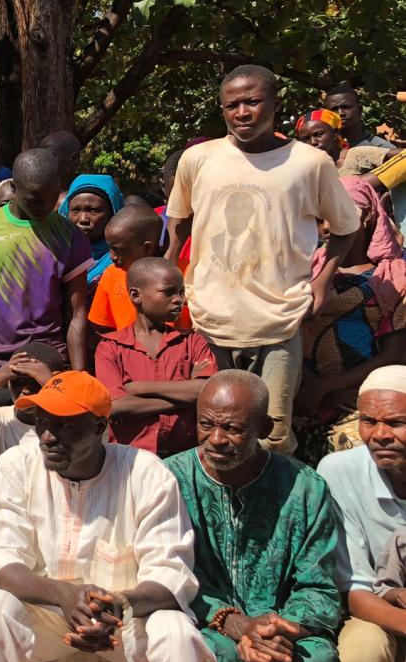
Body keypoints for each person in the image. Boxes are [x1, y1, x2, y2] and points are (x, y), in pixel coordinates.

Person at [0, 370, 215, 662]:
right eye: (42, 422)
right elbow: (2, 566)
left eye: (64, 425)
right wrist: (64, 596)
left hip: (123, 619)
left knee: (176, 633)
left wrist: (118, 604)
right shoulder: (17, 464)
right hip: (46, 615)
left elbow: (170, 576)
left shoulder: (146, 472)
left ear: (99, 427)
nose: (47, 436)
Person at [166, 65, 361, 454]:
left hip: (278, 319)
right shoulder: (198, 158)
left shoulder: (309, 163)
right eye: (232, 105)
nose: (242, 113)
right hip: (209, 319)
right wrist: (171, 268)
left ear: (276, 104)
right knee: (215, 434)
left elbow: (346, 228)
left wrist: (322, 281)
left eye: (252, 102)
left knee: (271, 436)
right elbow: (179, 219)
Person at [165, 371, 342, 662]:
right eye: (206, 424)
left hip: (283, 630)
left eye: (232, 428)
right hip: (203, 623)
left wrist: (273, 633)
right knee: (209, 652)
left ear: (265, 428)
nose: (216, 438)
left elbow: (319, 587)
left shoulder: (305, 487)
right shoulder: (169, 481)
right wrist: (236, 624)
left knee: (317, 661)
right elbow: (166, 575)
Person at [0, 149, 91, 406]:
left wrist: (77, 376)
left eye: (52, 198)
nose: (45, 207)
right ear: (13, 188)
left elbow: (76, 312)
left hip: (46, 360)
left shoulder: (69, 235)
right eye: (35, 200)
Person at [296, 175, 406, 459]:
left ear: (368, 216)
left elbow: (394, 354)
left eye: (338, 215)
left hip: (359, 398)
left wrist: (327, 388)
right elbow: (284, 336)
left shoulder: (391, 277)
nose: (327, 227)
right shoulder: (302, 271)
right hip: (301, 394)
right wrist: (312, 388)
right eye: (320, 218)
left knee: (356, 448)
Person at [317, 367, 406, 662]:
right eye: (368, 421)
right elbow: (355, 591)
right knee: (360, 652)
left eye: (396, 423)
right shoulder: (340, 471)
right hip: (376, 612)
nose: (380, 434)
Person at [94, 257, 217, 456]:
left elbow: (207, 390)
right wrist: (185, 400)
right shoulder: (110, 347)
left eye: (181, 292)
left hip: (184, 455)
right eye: (168, 292)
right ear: (136, 295)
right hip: (131, 457)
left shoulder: (192, 341)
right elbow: (116, 406)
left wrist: (140, 388)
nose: (179, 299)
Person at [87, 205, 185, 331]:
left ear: (147, 248)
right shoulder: (112, 274)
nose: (112, 257)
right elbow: (102, 327)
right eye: (109, 248)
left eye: (118, 250)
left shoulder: (185, 272)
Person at [60, 173, 125, 288]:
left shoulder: (124, 261)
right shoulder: (56, 254)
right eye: (75, 210)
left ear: (113, 212)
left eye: (93, 210)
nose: (83, 219)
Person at [324, 84, 397, 150]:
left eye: (346, 107)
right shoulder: (323, 148)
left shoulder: (383, 149)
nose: (340, 113)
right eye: (334, 109)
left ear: (360, 109)